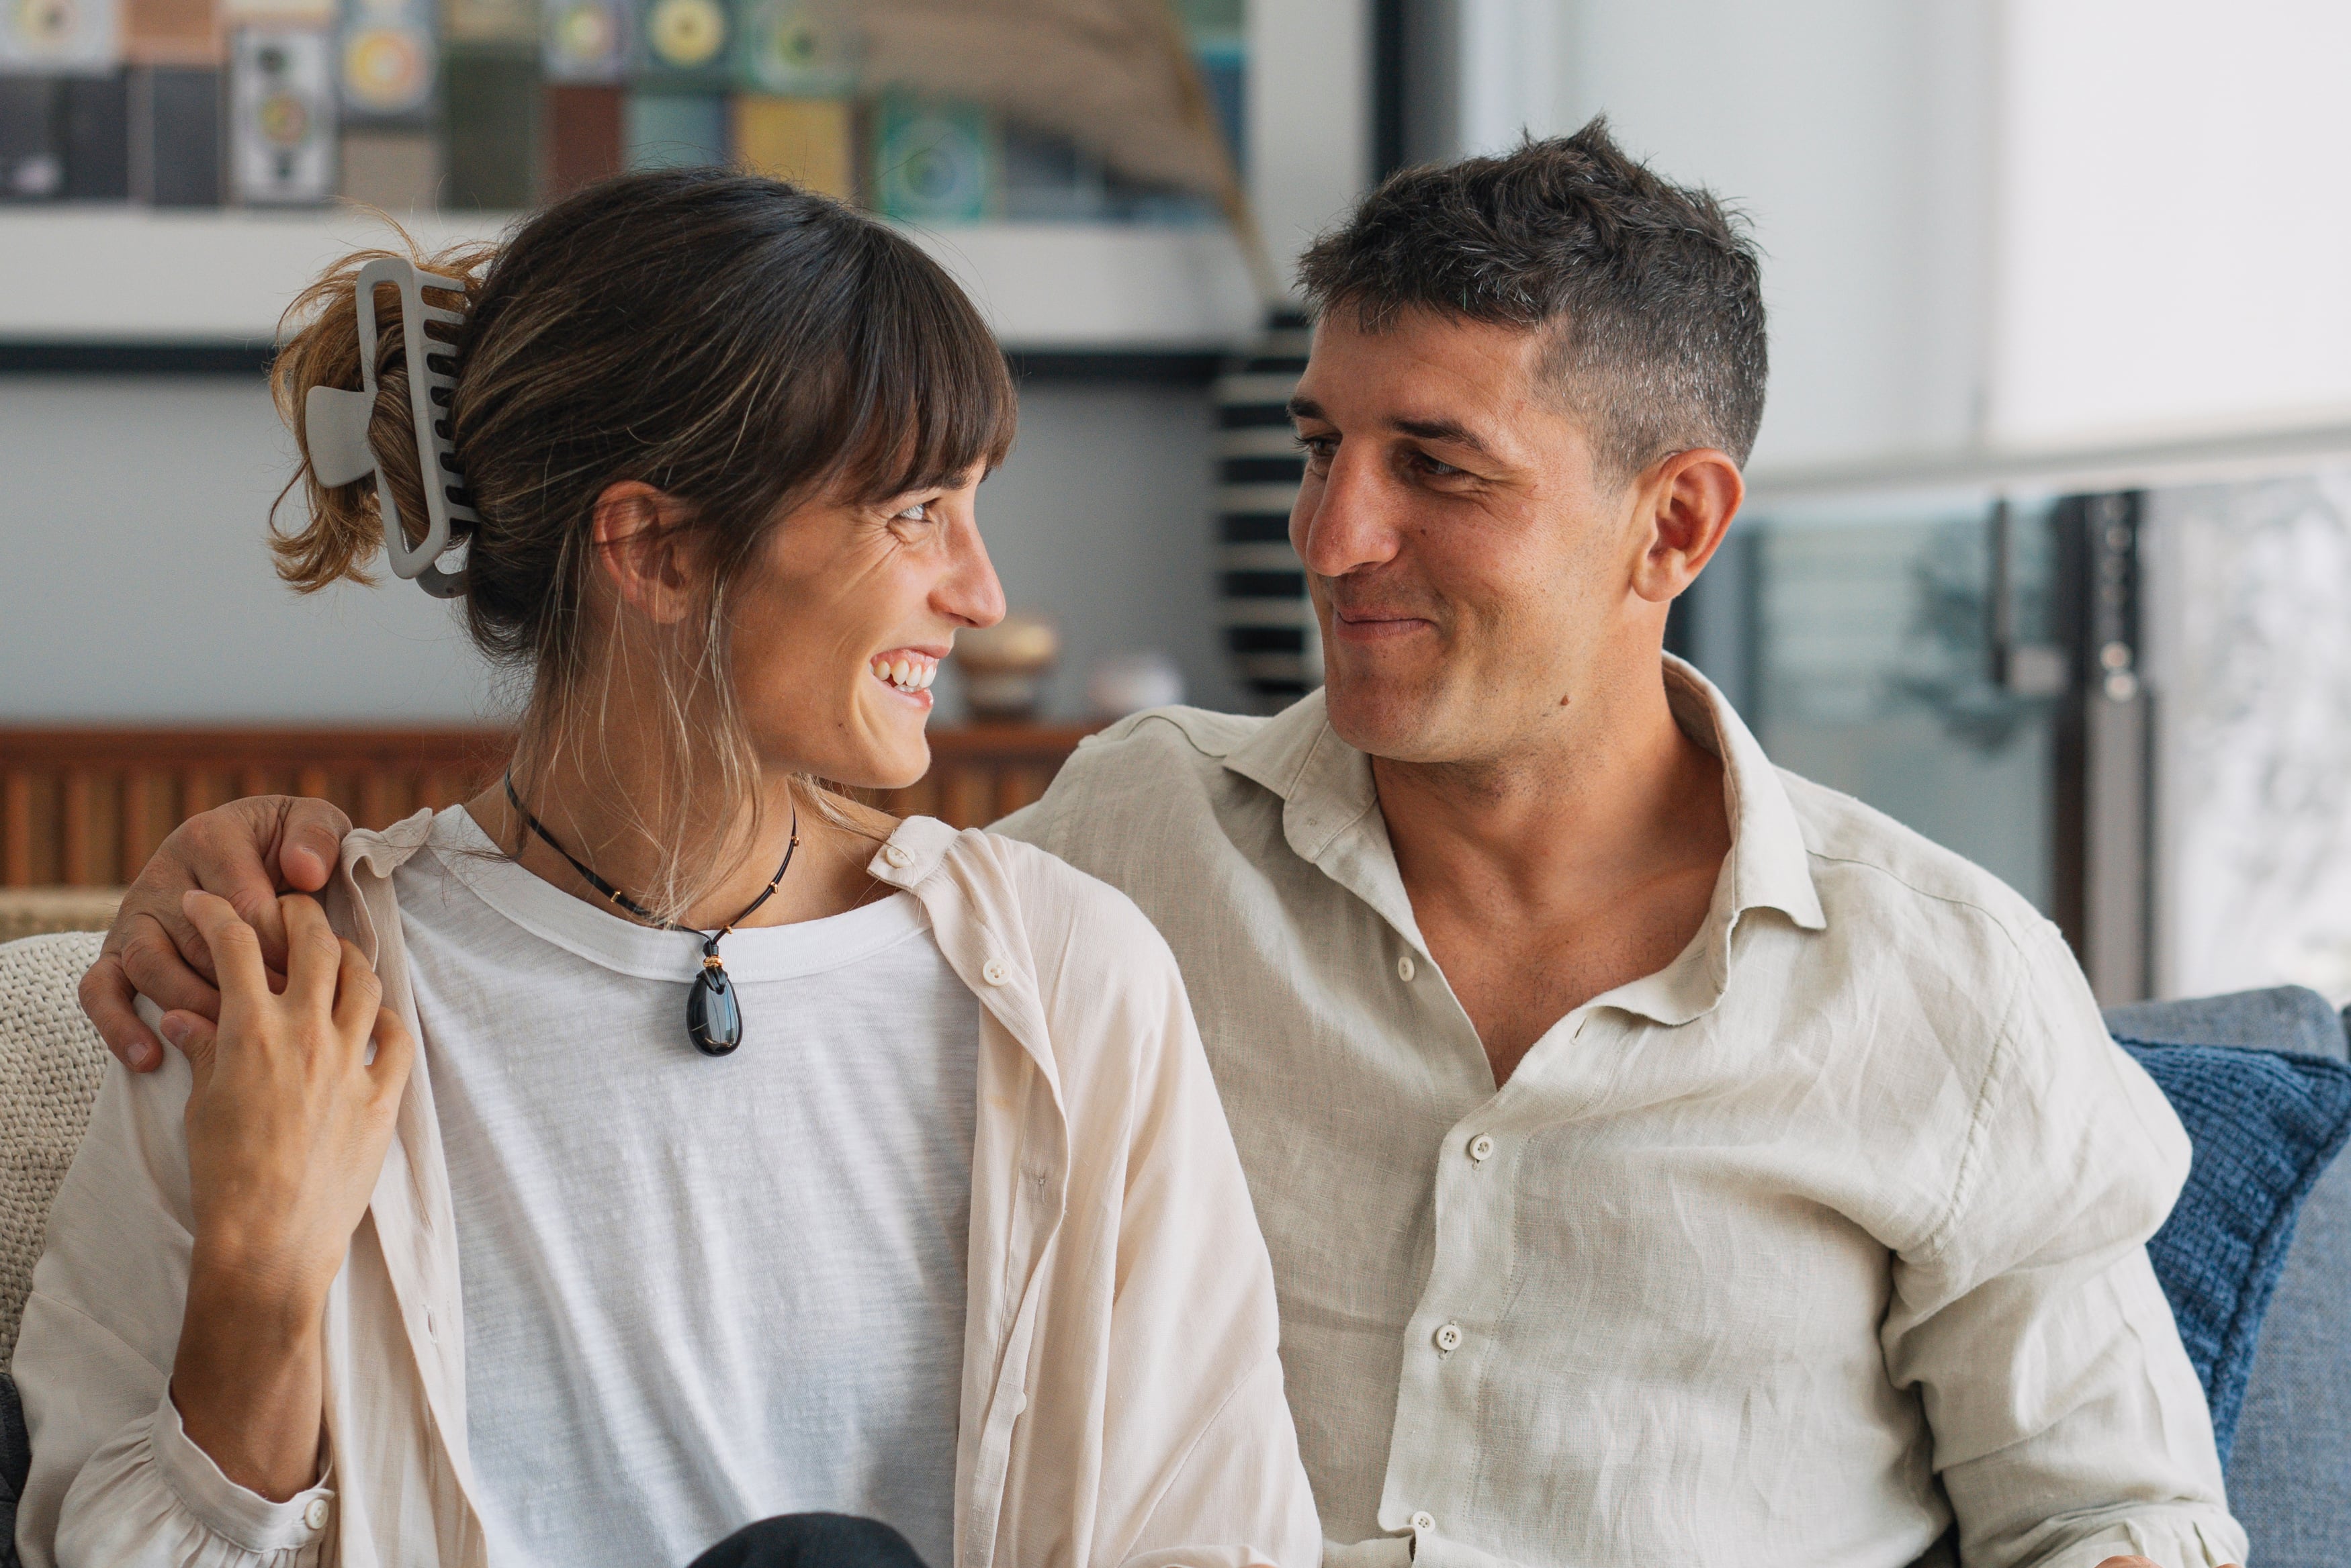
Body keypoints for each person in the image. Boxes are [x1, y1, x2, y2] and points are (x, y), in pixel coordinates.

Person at [83, 126, 2246, 1568]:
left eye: (1434, 469)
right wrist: (251, 918)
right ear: (650, 545)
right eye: (1317, 447)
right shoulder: (1120, 855)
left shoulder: (1944, 986)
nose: (1328, 537)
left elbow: (2117, 1517)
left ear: (1669, 524)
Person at [18, 168, 1319, 1568]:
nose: (982, 593)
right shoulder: (283, 995)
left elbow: (1214, 1535)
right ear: (657, 549)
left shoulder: (1068, 985)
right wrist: (262, 1275)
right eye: (913, 514)